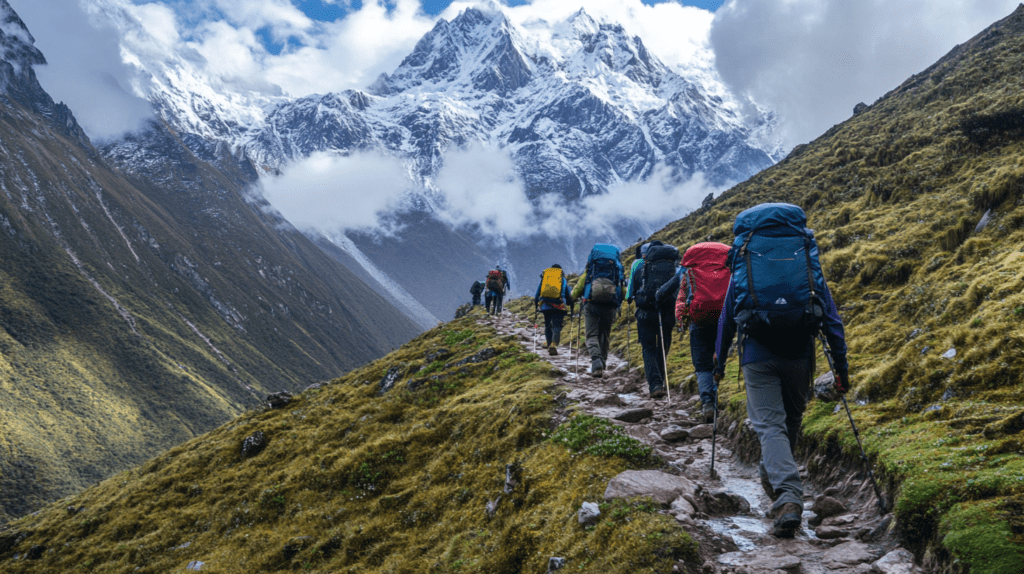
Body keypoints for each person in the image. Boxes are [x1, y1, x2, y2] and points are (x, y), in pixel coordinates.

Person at [714, 203, 849, 538]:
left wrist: (717, 364)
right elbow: (831, 319)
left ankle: (787, 496)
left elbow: (727, 317)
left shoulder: (746, 261)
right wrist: (841, 369)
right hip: (800, 352)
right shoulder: (805, 263)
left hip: (758, 354)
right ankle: (779, 486)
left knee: (770, 425)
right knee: (789, 420)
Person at [658, 242, 731, 423]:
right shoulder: (730, 267)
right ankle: (719, 379)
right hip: (725, 317)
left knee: (702, 364)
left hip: (699, 318)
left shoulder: (689, 270)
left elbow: (682, 295)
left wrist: (681, 318)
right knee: (720, 355)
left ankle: (707, 403)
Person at [628, 241, 678, 399]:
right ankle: (662, 380)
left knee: (648, 348)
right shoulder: (674, 269)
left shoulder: (641, 268)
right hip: (668, 313)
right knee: (663, 347)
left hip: (646, 314)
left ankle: (655, 385)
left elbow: (634, 291)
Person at [571, 244, 625, 377]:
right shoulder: (616, 270)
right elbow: (623, 289)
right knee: (604, 335)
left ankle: (596, 363)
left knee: (592, 334)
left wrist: (571, 299)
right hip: (610, 305)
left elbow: (578, 288)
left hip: (591, 303)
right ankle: (603, 362)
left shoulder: (591, 270)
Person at [534, 264, 571, 355]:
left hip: (545, 306)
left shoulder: (545, 279)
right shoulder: (563, 280)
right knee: (557, 325)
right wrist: (570, 304)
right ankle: (553, 345)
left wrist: (536, 304)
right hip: (559, 306)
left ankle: (549, 344)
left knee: (547, 325)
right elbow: (568, 294)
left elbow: (537, 294)